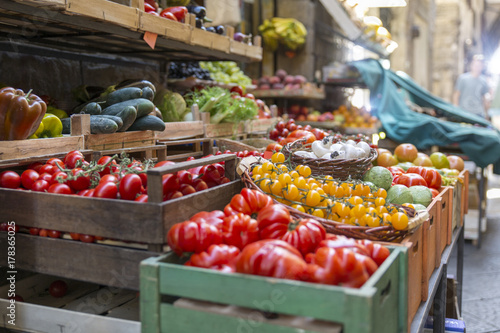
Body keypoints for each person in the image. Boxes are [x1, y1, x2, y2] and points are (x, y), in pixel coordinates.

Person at [453, 54, 491, 120]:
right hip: (464, 112)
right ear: (471, 65)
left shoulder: (484, 81)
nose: (477, 67)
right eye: (475, 65)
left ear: (482, 67)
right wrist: (456, 110)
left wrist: (486, 113)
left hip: (478, 113)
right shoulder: (463, 79)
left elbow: (484, 98)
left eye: (479, 65)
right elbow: (456, 95)